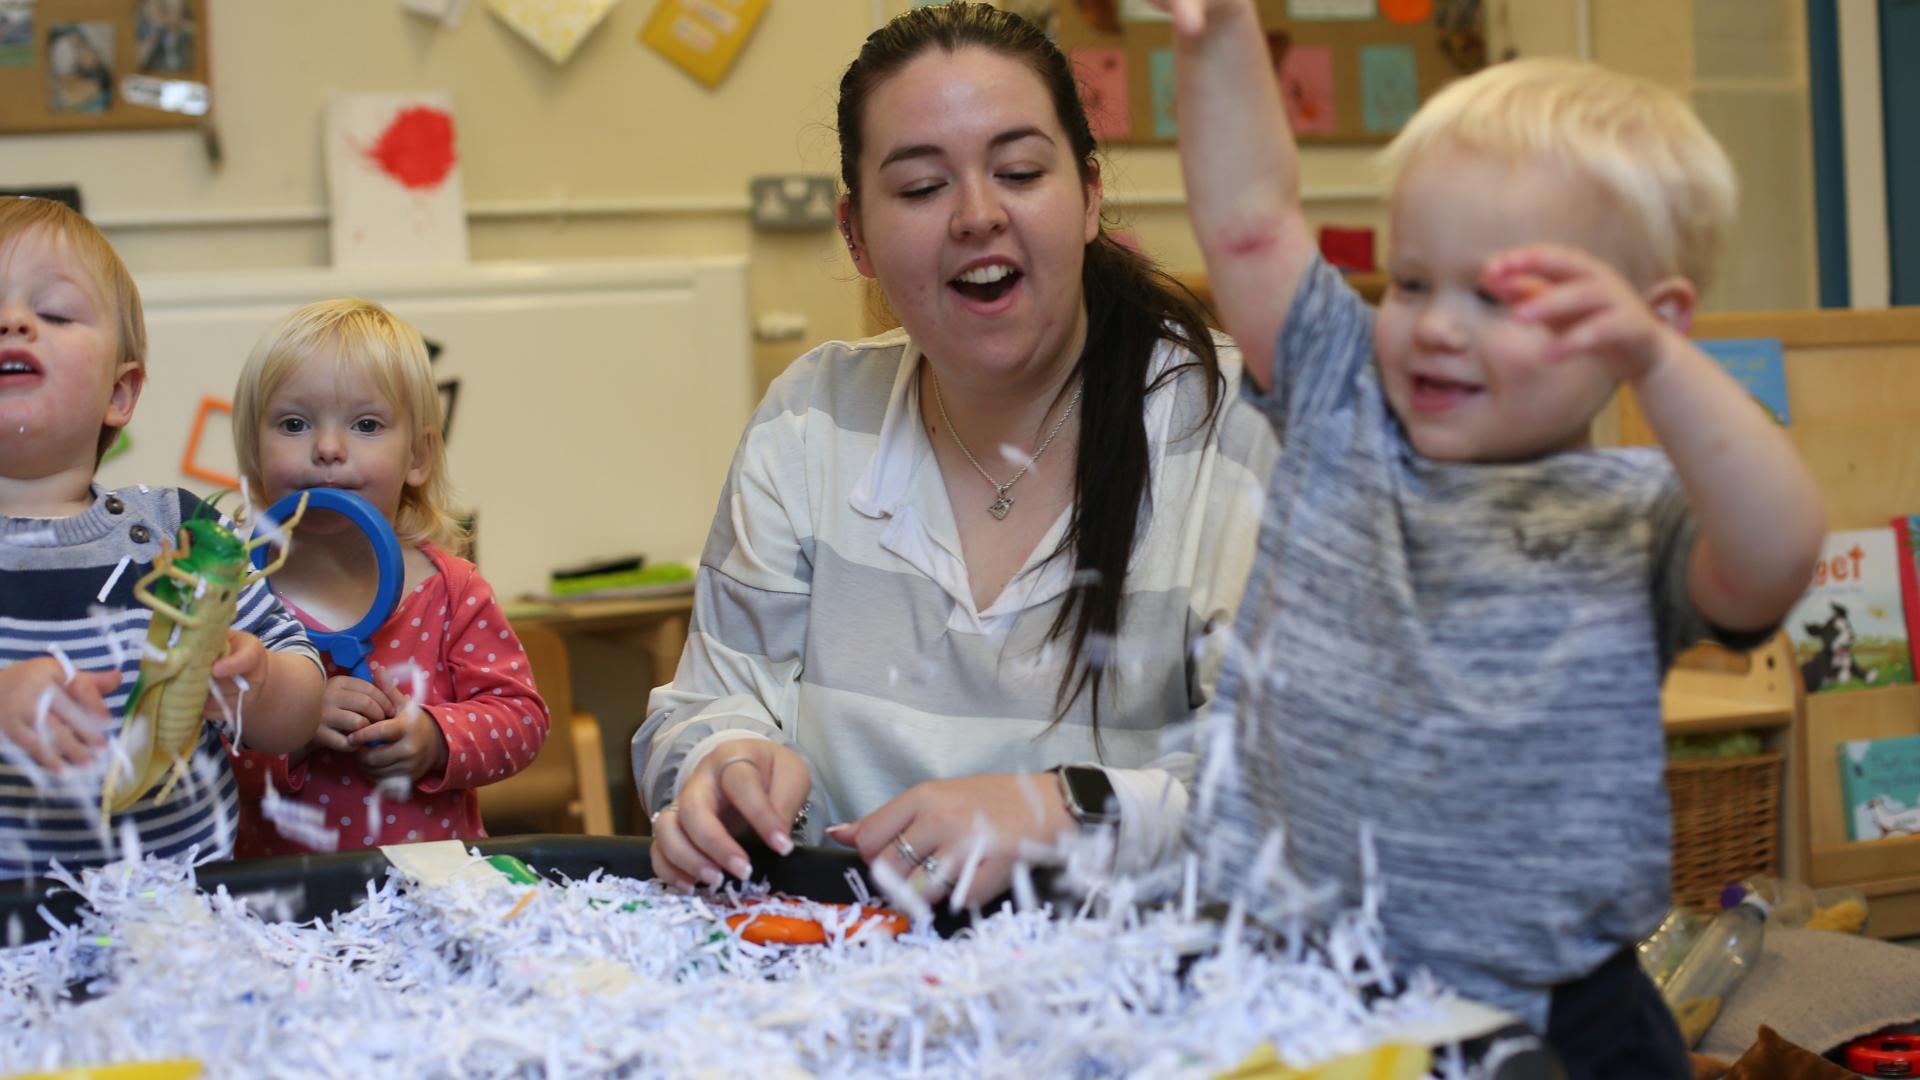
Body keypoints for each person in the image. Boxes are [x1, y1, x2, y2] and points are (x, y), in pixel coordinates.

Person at [1152, 1, 1826, 1074]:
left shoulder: (1635, 510)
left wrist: (1659, 366)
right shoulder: (1342, 397)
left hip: (1554, 1007)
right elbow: (1250, 225)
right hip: (1299, 978)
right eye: (1414, 281)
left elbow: (1780, 554)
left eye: (1504, 296)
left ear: (1651, 318)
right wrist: (1220, 33)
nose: (1441, 324)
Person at [636, 1, 1277, 906]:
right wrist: (721, 766)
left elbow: (1305, 781)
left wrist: (1065, 813)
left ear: (1092, 196)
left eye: (1018, 171)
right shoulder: (811, 420)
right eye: (921, 188)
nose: (978, 216)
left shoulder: (1230, 429)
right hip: (845, 982)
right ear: (856, 234)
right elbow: (707, 704)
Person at [0, 197, 324, 877]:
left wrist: (258, 682)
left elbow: (300, 708)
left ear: (121, 393)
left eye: (54, 312)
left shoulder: (179, 532)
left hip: (181, 925)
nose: (13, 322)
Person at [228, 299, 548, 855]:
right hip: (285, 909)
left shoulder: (453, 591)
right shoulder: (234, 598)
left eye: (366, 424)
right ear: (254, 454)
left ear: (419, 456)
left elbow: (521, 719)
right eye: (294, 424)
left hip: (437, 894)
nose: (327, 448)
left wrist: (436, 737)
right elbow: (191, 753)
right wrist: (291, 725)